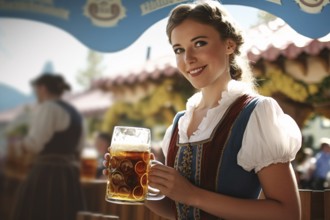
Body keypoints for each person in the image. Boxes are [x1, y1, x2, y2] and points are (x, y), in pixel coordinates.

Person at [104, 1, 302, 219]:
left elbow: (289, 213)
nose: (188, 58)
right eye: (178, 49)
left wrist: (192, 195)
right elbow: (178, 211)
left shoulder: (255, 113)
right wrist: (135, 185)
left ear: (229, 45)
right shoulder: (179, 124)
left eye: (199, 43)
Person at [11, 74, 86, 220]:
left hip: (47, 174)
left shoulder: (49, 108)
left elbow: (34, 144)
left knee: (41, 213)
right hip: (69, 175)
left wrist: (17, 146)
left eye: (36, 91)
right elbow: (80, 147)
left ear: (42, 88)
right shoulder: (75, 112)